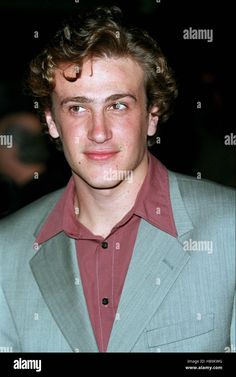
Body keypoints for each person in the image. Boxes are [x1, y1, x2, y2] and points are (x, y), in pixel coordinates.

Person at [0, 6, 235, 353]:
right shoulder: (7, 251)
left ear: (152, 116)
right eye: (77, 108)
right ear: (51, 122)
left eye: (118, 105)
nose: (98, 132)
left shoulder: (228, 228)